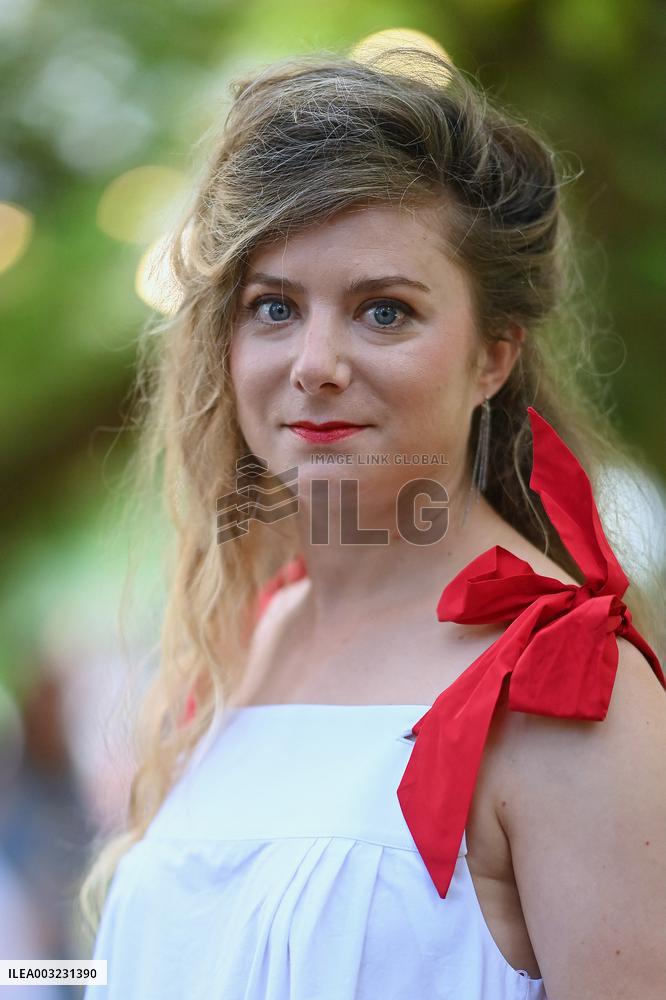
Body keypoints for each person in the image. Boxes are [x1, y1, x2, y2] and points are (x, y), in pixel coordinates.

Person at [78, 46, 666, 999]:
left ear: (492, 357)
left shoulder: (568, 695)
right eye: (274, 307)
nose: (315, 363)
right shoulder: (240, 640)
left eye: (383, 312)